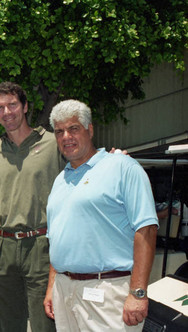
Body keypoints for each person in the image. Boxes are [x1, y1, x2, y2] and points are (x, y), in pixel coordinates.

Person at [43, 99, 158, 331]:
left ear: (90, 129)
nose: (66, 136)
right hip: (64, 292)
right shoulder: (60, 180)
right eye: (59, 131)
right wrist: (52, 287)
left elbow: (146, 229)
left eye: (73, 128)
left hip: (107, 292)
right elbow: (56, 237)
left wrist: (138, 292)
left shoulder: (123, 167)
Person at [0, 82, 64, 332]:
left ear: (25, 106)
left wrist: (115, 157)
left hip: (41, 245)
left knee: (44, 324)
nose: (7, 112)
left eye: (12, 105)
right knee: (7, 326)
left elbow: (83, 167)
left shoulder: (53, 144)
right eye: (0, 107)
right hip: (2, 247)